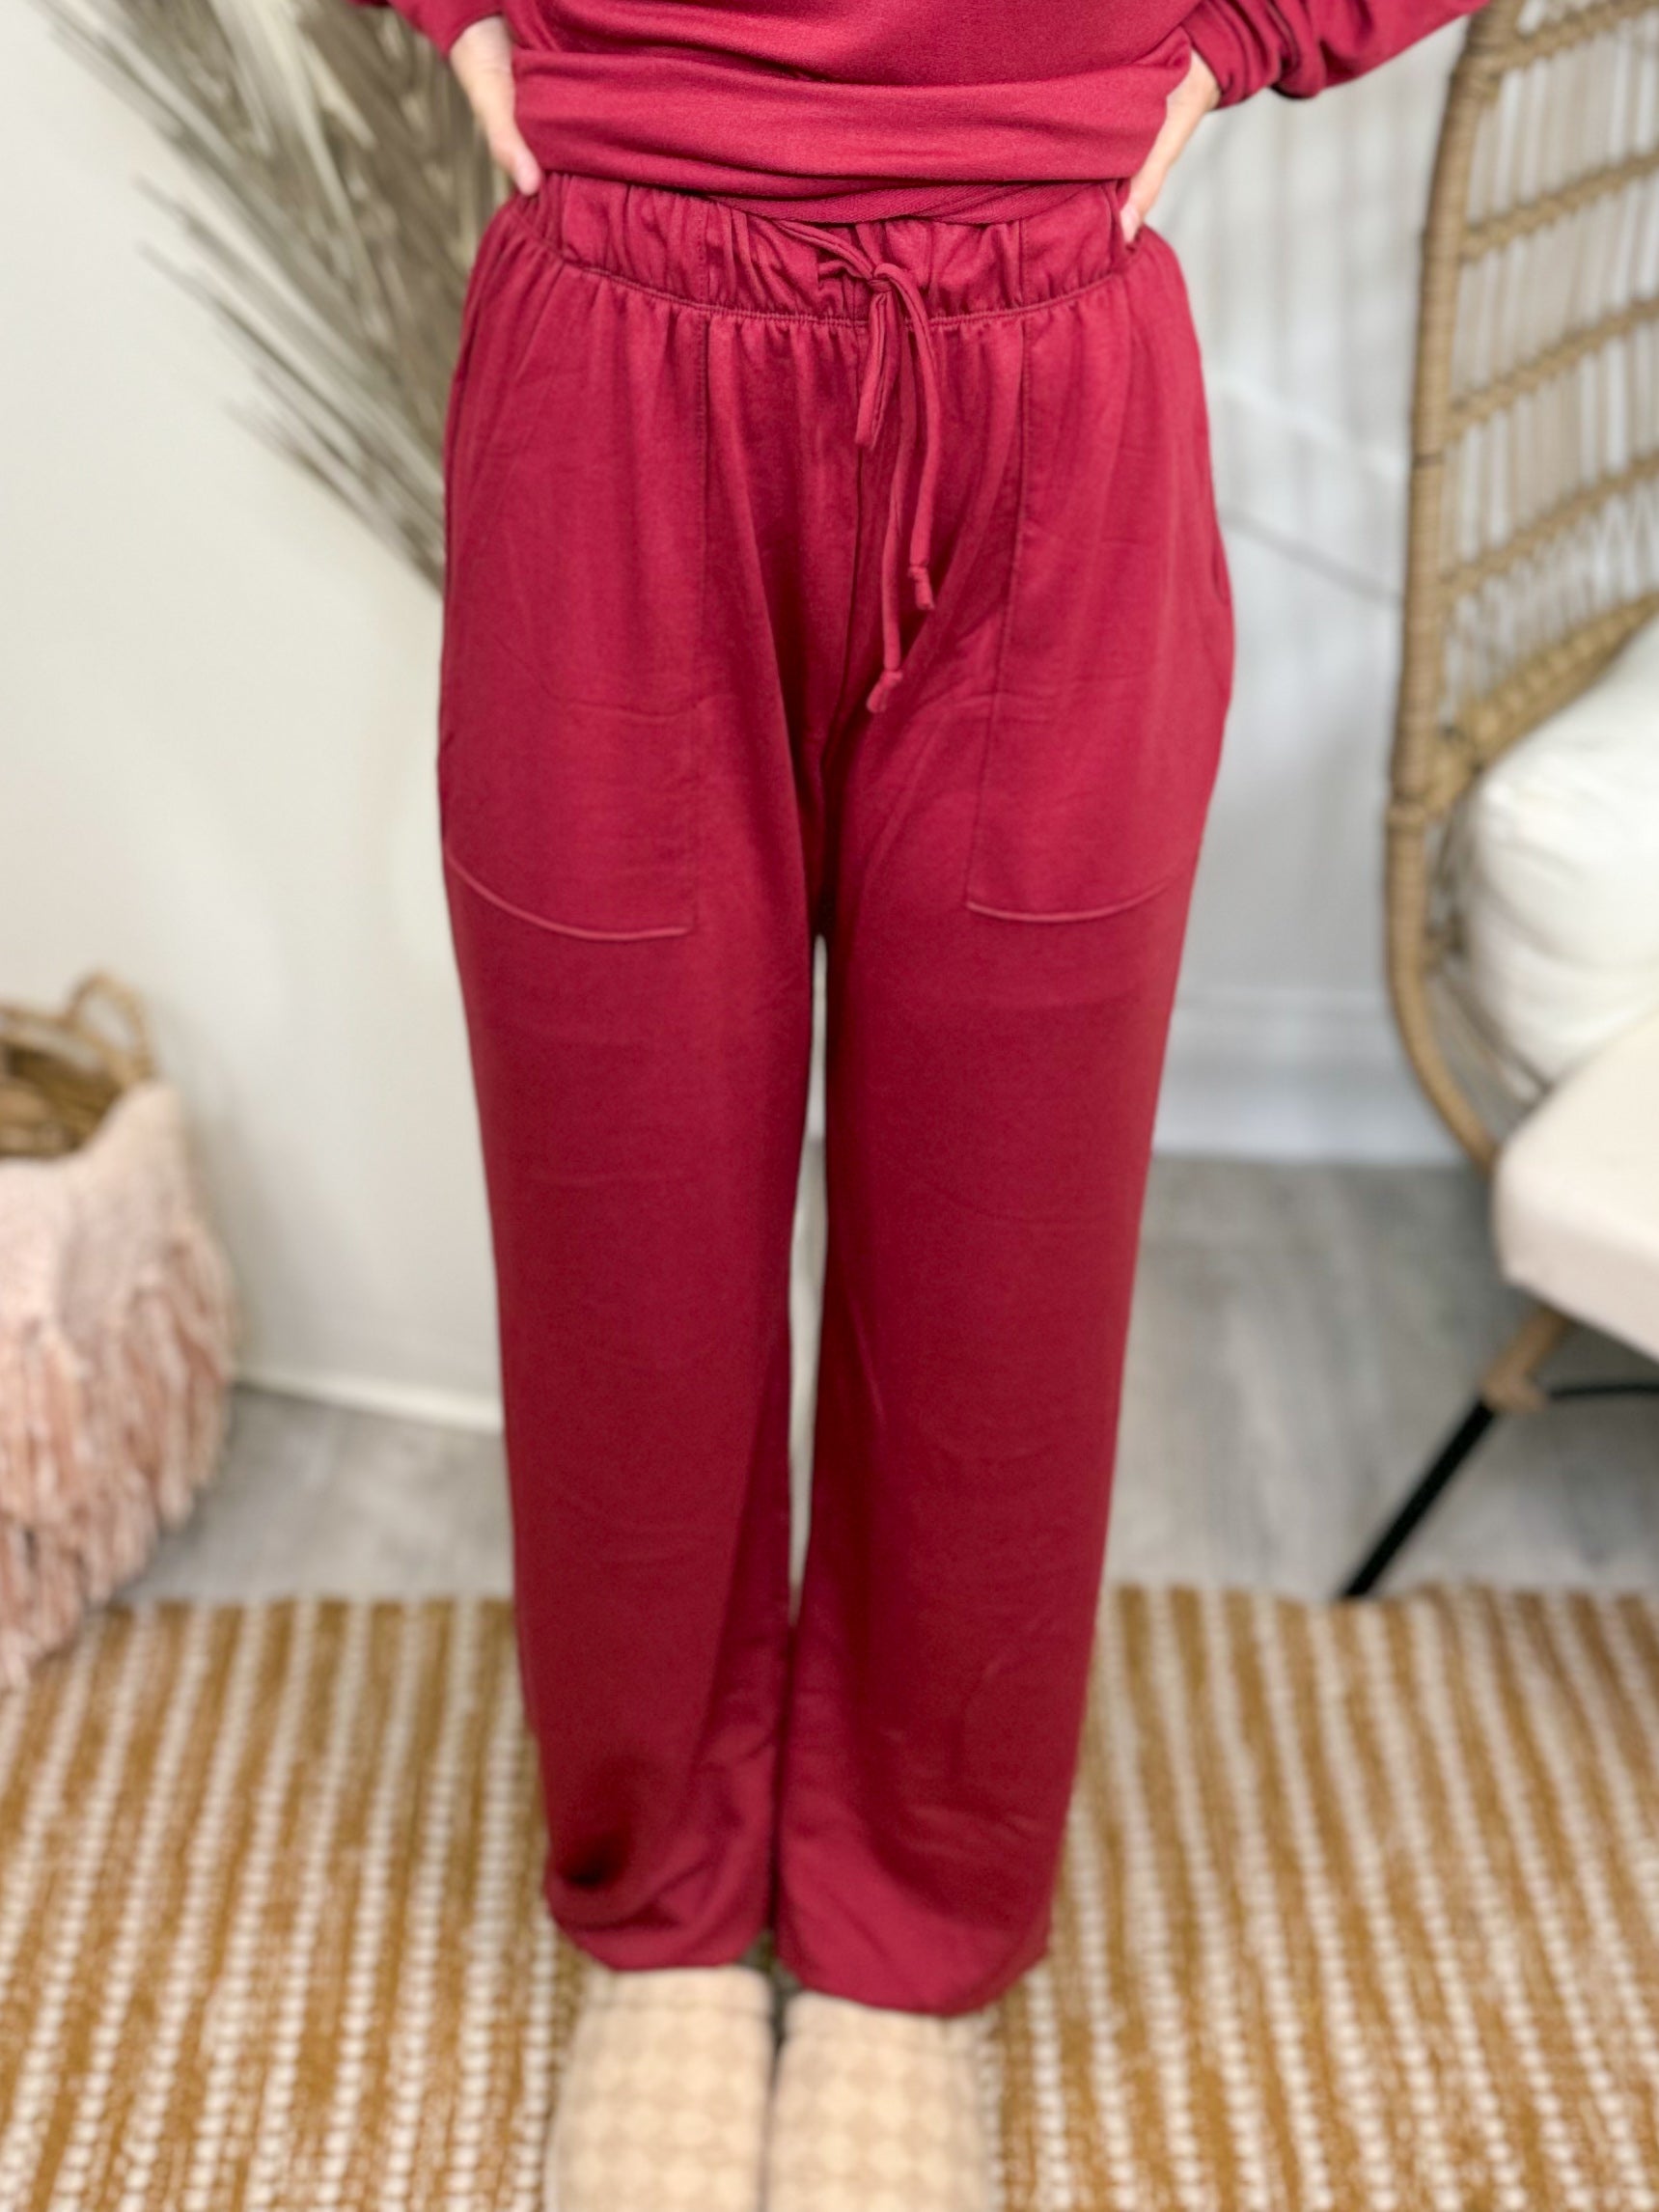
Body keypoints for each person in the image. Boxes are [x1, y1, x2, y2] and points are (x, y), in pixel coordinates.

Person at [345, 2, 1487, 2205]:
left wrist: (1257, 27)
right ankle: (664, 1914)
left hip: (1047, 351)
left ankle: (907, 1941)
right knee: (619, 1231)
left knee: (998, 1259)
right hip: (616, 345)